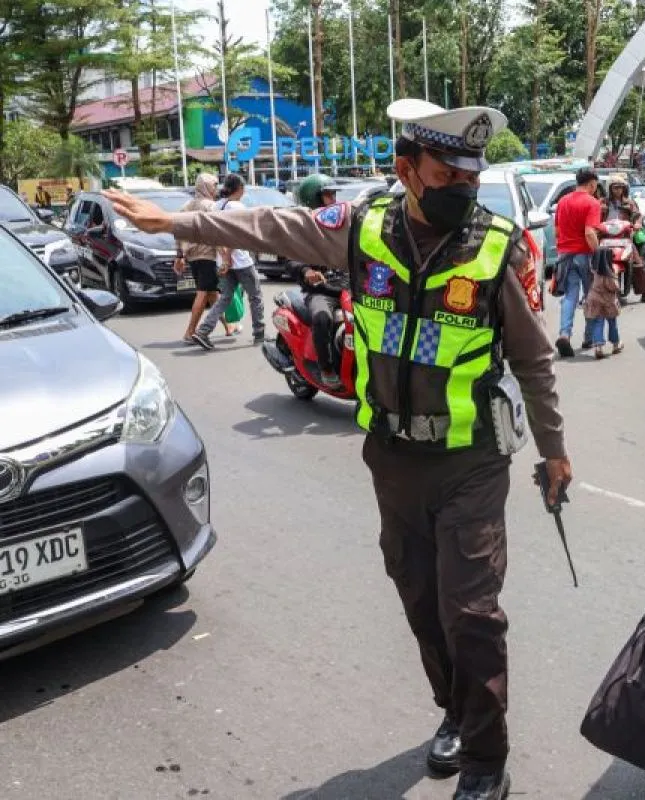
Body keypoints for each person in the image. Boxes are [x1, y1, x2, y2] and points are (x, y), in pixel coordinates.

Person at [103, 98, 571, 800]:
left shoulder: (496, 246)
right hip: (392, 458)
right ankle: (454, 710)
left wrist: (554, 451)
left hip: (470, 459)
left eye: (471, 177)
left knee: (471, 612)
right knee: (419, 598)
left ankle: (485, 759)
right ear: (406, 171)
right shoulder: (362, 227)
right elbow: (269, 226)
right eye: (448, 175)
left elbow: (534, 359)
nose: (463, 189)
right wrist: (175, 221)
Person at [185, 174, 267, 350]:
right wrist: (228, 257)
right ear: (240, 189)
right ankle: (259, 334)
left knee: (225, 298)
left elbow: (213, 236)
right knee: (255, 296)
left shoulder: (216, 206)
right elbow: (235, 235)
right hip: (241, 262)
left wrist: (223, 257)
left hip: (221, 261)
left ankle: (203, 331)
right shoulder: (237, 206)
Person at [289, 173, 347, 389]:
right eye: (328, 195)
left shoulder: (343, 224)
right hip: (321, 290)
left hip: (348, 287)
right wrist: (306, 271)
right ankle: (327, 368)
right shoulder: (303, 229)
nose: (333, 200)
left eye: (334, 195)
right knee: (322, 317)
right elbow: (291, 259)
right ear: (314, 198)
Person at [175, 172, 237, 343]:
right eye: (214, 185)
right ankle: (190, 332)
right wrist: (225, 257)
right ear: (206, 187)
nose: (216, 189)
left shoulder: (187, 206)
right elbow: (216, 234)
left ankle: (228, 326)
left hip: (193, 256)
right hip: (208, 255)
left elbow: (178, 231)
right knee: (203, 293)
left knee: (212, 293)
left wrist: (179, 255)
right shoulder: (211, 207)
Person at [552, 168, 602, 357]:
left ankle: (564, 334)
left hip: (565, 256)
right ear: (592, 184)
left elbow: (557, 232)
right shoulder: (592, 203)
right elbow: (589, 233)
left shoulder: (563, 201)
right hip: (585, 255)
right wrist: (598, 253)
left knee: (570, 296)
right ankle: (589, 338)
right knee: (591, 296)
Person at [602, 173, 645, 304]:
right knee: (596, 262)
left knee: (637, 263)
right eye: (615, 187)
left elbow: (638, 215)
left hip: (624, 237)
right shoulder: (602, 203)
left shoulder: (629, 203)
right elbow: (595, 216)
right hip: (606, 237)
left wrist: (637, 223)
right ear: (609, 188)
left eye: (621, 187)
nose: (618, 190)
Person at [583, 246, 621, 359]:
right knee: (612, 323)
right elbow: (614, 287)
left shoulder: (593, 271)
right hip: (608, 301)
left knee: (598, 323)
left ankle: (598, 347)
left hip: (594, 300)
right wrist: (616, 276)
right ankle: (616, 344)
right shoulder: (609, 273)